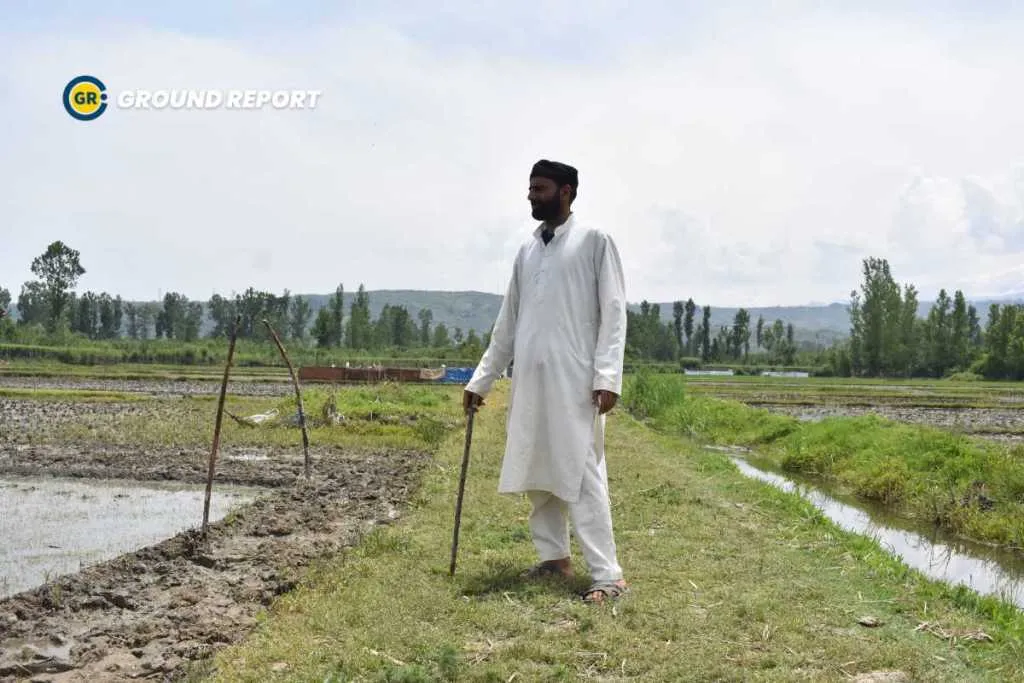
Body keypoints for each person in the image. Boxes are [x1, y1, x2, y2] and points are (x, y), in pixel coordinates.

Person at [463, 159, 629, 603]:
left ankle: (608, 575)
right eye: (530, 188)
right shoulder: (528, 251)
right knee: (538, 470)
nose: (531, 196)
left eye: (540, 188)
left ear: (567, 191)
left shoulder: (595, 241)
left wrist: (607, 375)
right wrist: (482, 380)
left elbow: (614, 313)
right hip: (531, 382)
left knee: (582, 473)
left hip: (576, 382)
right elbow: (508, 323)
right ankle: (555, 560)